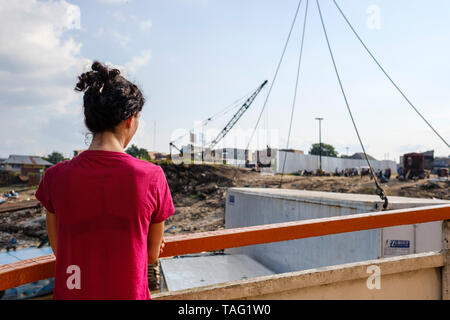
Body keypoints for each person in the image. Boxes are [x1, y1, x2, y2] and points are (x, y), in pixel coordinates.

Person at [35, 61, 175, 300]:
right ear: (130, 119)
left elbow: (60, 249)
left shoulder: (54, 177)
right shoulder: (152, 177)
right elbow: (152, 254)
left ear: (90, 120)